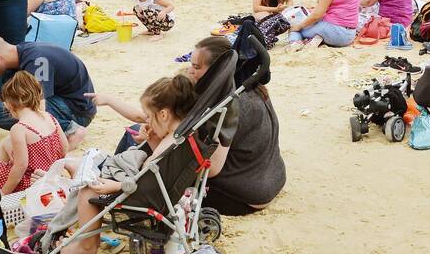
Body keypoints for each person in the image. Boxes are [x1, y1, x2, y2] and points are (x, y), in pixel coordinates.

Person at [88, 36, 285, 215]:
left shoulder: (228, 105)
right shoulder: (245, 86)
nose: (191, 70)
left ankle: (116, 184)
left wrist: (158, 140)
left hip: (242, 195)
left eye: (197, 67)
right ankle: (119, 177)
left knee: (152, 146)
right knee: (155, 138)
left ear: (217, 69)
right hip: (268, 177)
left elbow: (213, 168)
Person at [59, 74, 198, 254]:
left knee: (89, 190)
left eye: (149, 116)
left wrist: (115, 187)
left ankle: (87, 246)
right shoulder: (180, 133)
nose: (146, 121)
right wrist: (153, 138)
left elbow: (148, 180)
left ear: (164, 114)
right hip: (154, 188)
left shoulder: (171, 142)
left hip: (143, 193)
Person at [0, 72, 67, 193]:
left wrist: (3, 194)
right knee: (6, 142)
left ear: (8, 104)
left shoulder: (20, 128)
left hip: (27, 184)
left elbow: (20, 167)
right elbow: (64, 148)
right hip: (46, 176)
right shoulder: (49, 117)